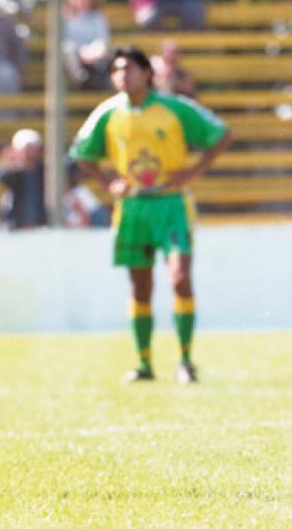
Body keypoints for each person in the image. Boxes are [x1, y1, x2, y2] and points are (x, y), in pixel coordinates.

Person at [70, 46, 231, 385]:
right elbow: (81, 153)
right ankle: (144, 364)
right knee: (140, 287)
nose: (121, 75)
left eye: (128, 68)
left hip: (171, 204)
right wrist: (106, 182)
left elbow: (221, 134)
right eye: (115, 70)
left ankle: (185, 361)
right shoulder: (108, 113)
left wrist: (192, 173)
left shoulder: (174, 108)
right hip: (132, 208)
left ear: (147, 73)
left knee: (179, 277)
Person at [0, 128, 48, 230]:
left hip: (40, 224)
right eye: (25, 148)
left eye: (32, 148)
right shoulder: (13, 171)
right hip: (15, 224)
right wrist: (9, 162)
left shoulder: (44, 171)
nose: (28, 152)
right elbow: (1, 176)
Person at [62, 0, 110, 89]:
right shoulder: (65, 18)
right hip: (72, 55)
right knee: (70, 52)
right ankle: (81, 78)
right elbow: (64, 42)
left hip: (94, 55)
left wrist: (92, 52)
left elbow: (102, 39)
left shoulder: (98, 17)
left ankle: (98, 81)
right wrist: (81, 51)